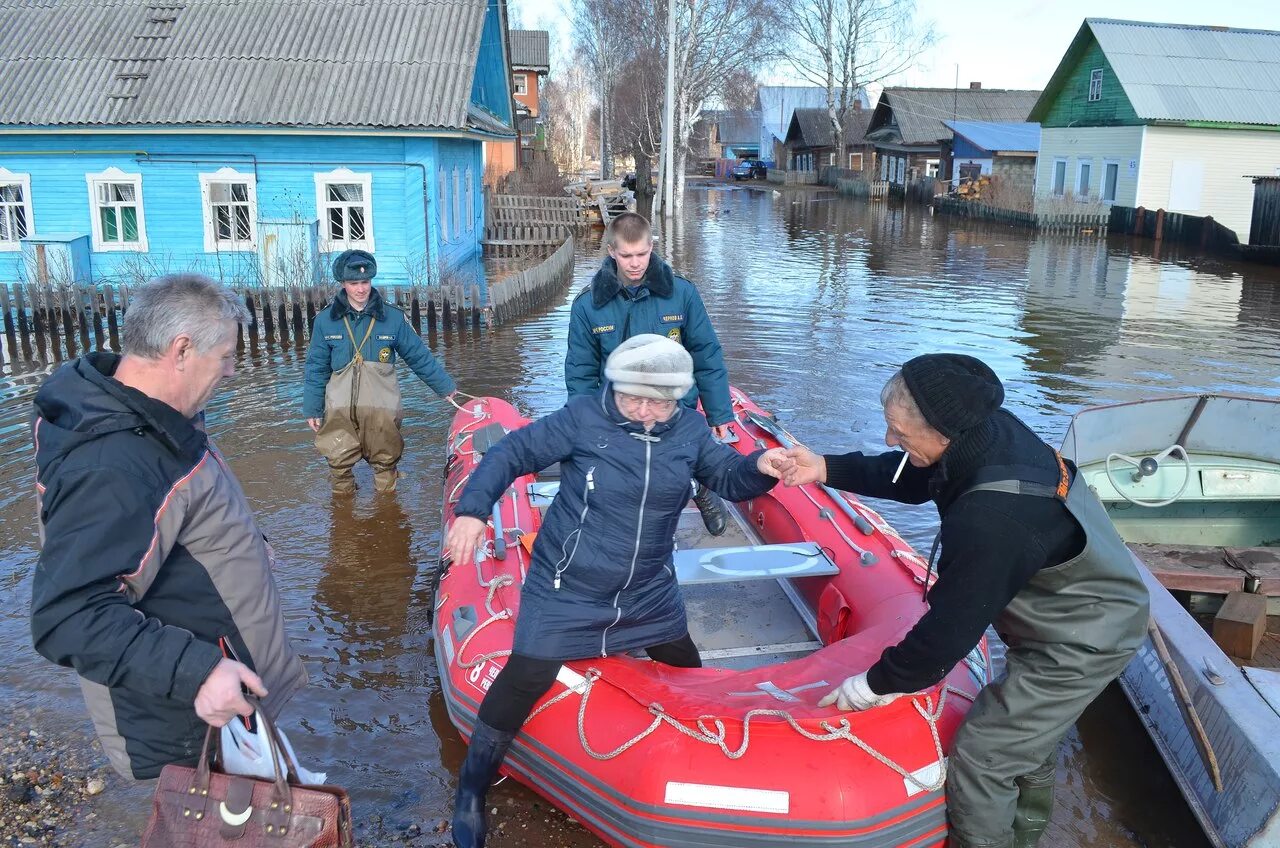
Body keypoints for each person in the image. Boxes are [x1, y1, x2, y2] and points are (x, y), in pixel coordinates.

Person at [775, 354, 1149, 848]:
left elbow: (948, 634)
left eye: (898, 432)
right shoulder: (980, 429)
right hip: (1061, 602)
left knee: (984, 756)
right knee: (1024, 740)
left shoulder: (993, 517)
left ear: (944, 433)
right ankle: (1026, 832)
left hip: (1085, 632)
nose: (890, 440)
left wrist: (873, 685)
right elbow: (918, 473)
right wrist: (826, 467)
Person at [444, 334, 785, 848]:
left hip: (647, 586)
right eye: (634, 398)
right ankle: (471, 788)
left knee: (687, 669)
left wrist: (760, 468)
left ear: (678, 399)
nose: (646, 411)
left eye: (660, 402)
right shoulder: (584, 418)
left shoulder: (689, 429)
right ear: (615, 388)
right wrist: (471, 512)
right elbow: (512, 454)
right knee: (526, 673)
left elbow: (728, 477)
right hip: (569, 583)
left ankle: (708, 766)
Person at [29, 274, 308, 781]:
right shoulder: (113, 465)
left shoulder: (157, 420)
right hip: (192, 722)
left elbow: (168, 522)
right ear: (181, 350)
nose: (230, 370)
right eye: (224, 355)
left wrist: (243, 544)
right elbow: (68, 615)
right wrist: (198, 672)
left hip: (225, 702)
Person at [565, 211, 734, 535]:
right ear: (612, 251)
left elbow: (705, 353)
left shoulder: (682, 293)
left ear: (651, 247)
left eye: (642, 254)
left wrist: (719, 412)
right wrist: (583, 422)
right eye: (626, 255)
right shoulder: (588, 306)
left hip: (675, 405)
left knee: (669, 462)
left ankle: (700, 487)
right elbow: (581, 371)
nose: (635, 263)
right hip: (619, 408)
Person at [304, 249, 457, 493]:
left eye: (365, 282)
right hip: (339, 410)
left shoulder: (393, 318)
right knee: (338, 465)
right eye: (354, 283)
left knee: (386, 465)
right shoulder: (325, 321)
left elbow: (419, 356)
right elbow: (316, 367)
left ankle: (387, 515)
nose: (361, 289)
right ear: (343, 284)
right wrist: (312, 408)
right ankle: (344, 521)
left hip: (382, 410)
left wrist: (445, 388)